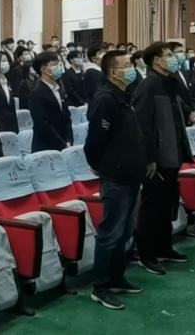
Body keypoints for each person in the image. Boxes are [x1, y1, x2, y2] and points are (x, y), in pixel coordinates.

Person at [84, 50, 146, 310]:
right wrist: (104, 167)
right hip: (116, 177)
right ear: (113, 73)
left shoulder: (125, 97)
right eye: (126, 65)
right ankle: (101, 287)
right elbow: (94, 142)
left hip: (131, 175)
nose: (131, 68)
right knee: (110, 233)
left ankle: (117, 277)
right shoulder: (106, 100)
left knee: (124, 233)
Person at [133, 42, 192, 274]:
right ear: (156, 60)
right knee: (152, 206)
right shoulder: (148, 86)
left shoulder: (170, 83)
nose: (174, 58)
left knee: (167, 203)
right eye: (168, 55)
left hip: (172, 153)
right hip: (157, 158)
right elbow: (143, 125)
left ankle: (164, 247)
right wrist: (150, 158)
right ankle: (146, 254)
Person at [28, 52, 72, 152]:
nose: (58, 67)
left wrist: (69, 139)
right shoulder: (36, 93)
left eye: (59, 63)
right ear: (43, 69)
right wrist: (62, 144)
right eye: (54, 64)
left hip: (64, 143)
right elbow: (43, 124)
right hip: (46, 146)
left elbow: (67, 117)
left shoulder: (59, 88)